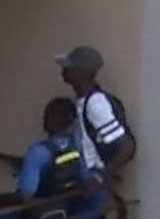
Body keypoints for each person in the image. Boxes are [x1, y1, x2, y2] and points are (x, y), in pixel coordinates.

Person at [56, 44, 137, 180]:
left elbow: (127, 147)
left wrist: (100, 177)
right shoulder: (83, 101)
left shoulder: (95, 104)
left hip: (91, 175)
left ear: (81, 72)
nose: (63, 70)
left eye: (68, 67)